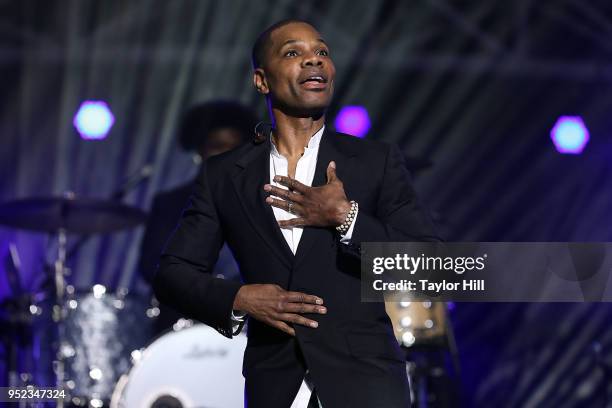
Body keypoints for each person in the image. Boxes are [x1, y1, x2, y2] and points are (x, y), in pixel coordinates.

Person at [154, 19, 439, 408]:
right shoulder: (225, 175)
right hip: (274, 384)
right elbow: (173, 274)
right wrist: (239, 298)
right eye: (294, 53)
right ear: (262, 81)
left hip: (366, 384)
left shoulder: (374, 162)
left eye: (322, 52)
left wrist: (346, 217)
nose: (314, 61)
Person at [139, 101, 256, 335]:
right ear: (200, 151)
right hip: (183, 323)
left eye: (234, 148)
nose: (226, 155)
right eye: (217, 146)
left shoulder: (263, 201)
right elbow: (151, 267)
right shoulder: (170, 203)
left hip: (252, 323)